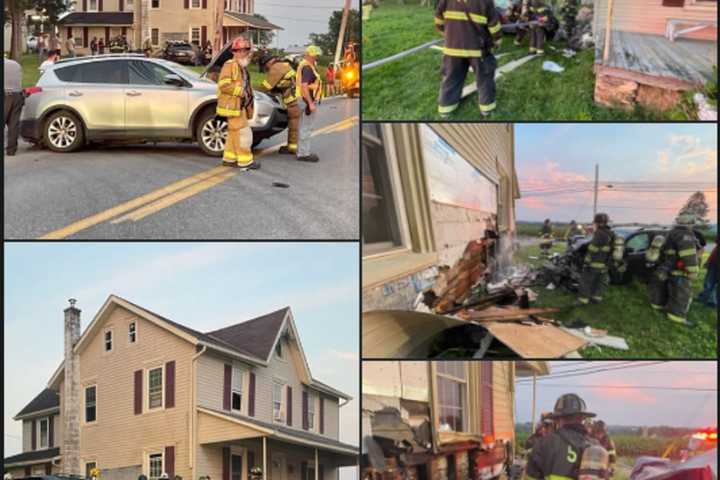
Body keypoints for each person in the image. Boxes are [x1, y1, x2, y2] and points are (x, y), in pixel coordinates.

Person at [434, 0, 503, 118]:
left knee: (451, 77)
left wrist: (450, 36)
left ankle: (445, 109)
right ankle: (487, 108)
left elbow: (439, 22)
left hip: (452, 50)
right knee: (485, 77)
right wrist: (497, 40)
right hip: (478, 50)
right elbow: (494, 26)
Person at [525, 393, 609, 480]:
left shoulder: (543, 444)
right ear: (582, 418)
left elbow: (529, 477)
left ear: (558, 419)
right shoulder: (596, 446)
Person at [648, 214, 700, 326]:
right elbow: (689, 255)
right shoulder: (686, 235)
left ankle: (658, 306)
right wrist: (693, 271)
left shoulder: (671, 233)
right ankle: (676, 317)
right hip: (679, 270)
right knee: (681, 294)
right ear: (690, 223)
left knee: (663, 289)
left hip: (666, 267)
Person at [217, 36, 256, 169]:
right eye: (240, 50)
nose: (244, 52)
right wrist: (240, 92)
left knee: (234, 132)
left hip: (238, 106)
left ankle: (229, 158)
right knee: (243, 133)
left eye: (246, 50)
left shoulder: (241, 66)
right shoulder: (230, 65)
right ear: (234, 52)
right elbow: (223, 85)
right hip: (233, 105)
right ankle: (245, 161)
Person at [259, 53, 300, 155]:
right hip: (297, 98)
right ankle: (293, 146)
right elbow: (281, 84)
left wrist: (254, 92)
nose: (265, 69)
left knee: (294, 124)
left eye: (265, 67)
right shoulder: (284, 65)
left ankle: (292, 147)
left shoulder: (276, 68)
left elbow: (266, 86)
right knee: (295, 123)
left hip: (293, 100)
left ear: (268, 63)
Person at [577, 213, 615, 305]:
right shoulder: (611, 233)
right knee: (599, 282)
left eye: (595, 222)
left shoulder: (599, 233)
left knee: (586, 281)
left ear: (598, 223)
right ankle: (596, 299)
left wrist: (586, 262)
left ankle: (583, 300)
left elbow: (592, 249)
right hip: (604, 264)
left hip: (594, 263)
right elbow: (611, 249)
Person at [295, 45, 323, 163]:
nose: (316, 57)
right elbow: (304, 86)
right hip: (306, 100)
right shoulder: (307, 67)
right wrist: (310, 103)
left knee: (303, 126)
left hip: (303, 99)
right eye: (315, 55)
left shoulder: (306, 65)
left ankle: (301, 151)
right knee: (306, 127)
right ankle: (303, 154)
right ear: (309, 55)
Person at [4, 56, 25, 156]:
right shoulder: (16, 64)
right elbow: (20, 81)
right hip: (17, 95)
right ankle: (11, 150)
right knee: (13, 124)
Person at [696, 238, 717, 308]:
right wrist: (708, 261)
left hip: (715, 263)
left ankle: (711, 302)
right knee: (709, 282)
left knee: (709, 283)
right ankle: (704, 298)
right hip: (714, 262)